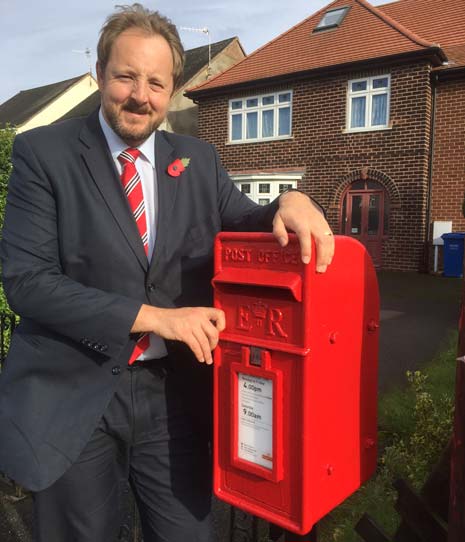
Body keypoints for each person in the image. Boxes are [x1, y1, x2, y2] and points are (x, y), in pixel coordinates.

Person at [0, 4, 334, 541]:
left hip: (172, 396)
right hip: (76, 389)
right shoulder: (44, 154)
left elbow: (247, 221)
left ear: (172, 88)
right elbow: (28, 283)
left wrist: (290, 200)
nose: (140, 96)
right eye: (126, 76)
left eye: (156, 82)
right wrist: (157, 318)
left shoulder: (198, 160)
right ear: (101, 73)